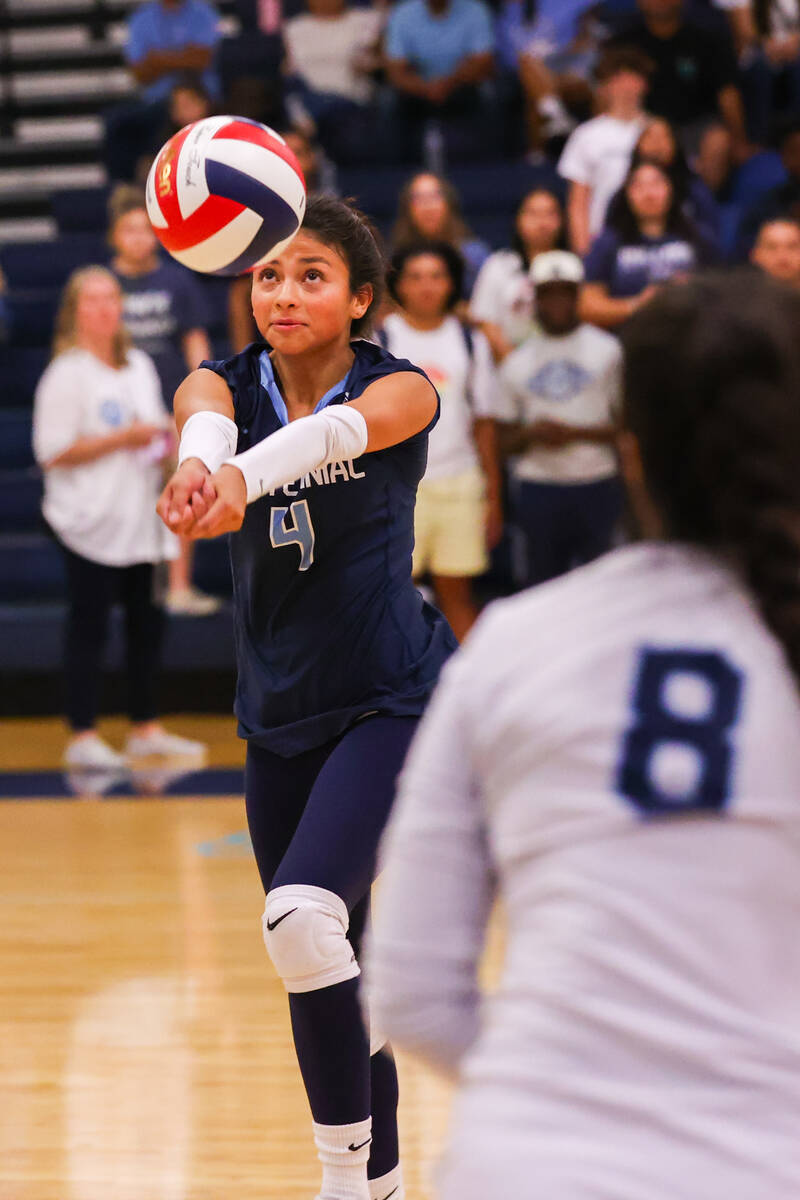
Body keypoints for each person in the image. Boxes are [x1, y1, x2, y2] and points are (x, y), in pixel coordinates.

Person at [366, 269, 800, 1198]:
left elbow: (408, 989)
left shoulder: (511, 645)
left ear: (630, 451)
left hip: (527, 1162)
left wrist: (567, 1105)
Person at [155, 196, 457, 1200]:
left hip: (391, 699)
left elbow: (337, 434)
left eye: (311, 275)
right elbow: (198, 413)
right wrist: (197, 470)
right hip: (277, 716)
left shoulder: (401, 387)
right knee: (331, 961)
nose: (282, 292)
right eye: (268, 274)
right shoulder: (226, 381)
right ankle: (384, 1184)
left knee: (297, 917)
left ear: (361, 299)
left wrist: (240, 476)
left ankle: (338, 1184)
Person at [32, 267, 204, 770]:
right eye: (94, 300)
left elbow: (152, 431)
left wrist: (167, 448)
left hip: (140, 521)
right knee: (88, 627)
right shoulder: (67, 374)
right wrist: (122, 439)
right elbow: (52, 451)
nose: (106, 308)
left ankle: (144, 727)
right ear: (75, 311)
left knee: (146, 626)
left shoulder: (139, 367)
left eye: (112, 298)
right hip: (88, 522)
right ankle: (82, 733)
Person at [380, 242, 502, 640]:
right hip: (398, 489)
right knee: (389, 601)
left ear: (451, 284)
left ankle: (470, 694)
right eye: (415, 277)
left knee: (457, 596)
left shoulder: (470, 342)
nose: (426, 287)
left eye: (436, 276)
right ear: (401, 285)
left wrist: (494, 497)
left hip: (459, 482)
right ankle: (394, 698)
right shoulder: (381, 340)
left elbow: (484, 423)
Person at [107, 184, 220, 617]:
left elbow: (196, 342)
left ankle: (178, 586)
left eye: (144, 229)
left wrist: (197, 405)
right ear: (114, 236)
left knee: (181, 492)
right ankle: (127, 590)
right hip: (117, 413)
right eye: (129, 230)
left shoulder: (177, 279)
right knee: (124, 498)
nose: (138, 238)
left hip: (171, 409)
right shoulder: (105, 282)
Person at [495, 251, 622, 586]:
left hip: (598, 482)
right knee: (541, 587)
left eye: (565, 293)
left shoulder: (609, 351)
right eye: (548, 293)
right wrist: (532, 435)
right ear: (535, 297)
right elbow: (502, 440)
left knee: (603, 586)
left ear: (577, 295)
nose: (557, 302)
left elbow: (628, 428)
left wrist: (575, 433)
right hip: (539, 488)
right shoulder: (516, 363)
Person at [608, 0, 751, 192]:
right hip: (642, 125)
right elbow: (608, 91)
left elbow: (728, 94)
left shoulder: (708, 40)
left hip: (697, 125)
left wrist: (739, 139)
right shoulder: (623, 44)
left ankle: (699, 204)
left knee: (718, 140)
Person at [581, 160, 718, 329]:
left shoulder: (699, 237)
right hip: (627, 340)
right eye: (638, 186)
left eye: (656, 183)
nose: (649, 194)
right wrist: (637, 305)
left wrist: (690, 292)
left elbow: (721, 295)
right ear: (626, 194)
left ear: (671, 189)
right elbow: (587, 305)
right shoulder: (607, 242)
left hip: (690, 338)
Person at [105, 0, 221, 182]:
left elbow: (201, 59)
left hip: (201, 95)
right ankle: (122, 191)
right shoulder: (141, 18)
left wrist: (157, 59)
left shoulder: (203, 11)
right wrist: (183, 56)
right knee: (116, 123)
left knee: (184, 107)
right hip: (156, 103)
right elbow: (139, 73)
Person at [557, 45, 652, 255]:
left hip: (651, 242)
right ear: (605, 86)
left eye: (633, 77)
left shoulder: (658, 132)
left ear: (644, 84)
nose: (626, 86)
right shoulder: (585, 135)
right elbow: (577, 203)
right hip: (603, 241)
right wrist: (584, 253)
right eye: (618, 78)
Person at [384, 0, 496, 161]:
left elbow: (483, 62)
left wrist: (449, 83)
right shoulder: (402, 13)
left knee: (489, 92)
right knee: (387, 99)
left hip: (461, 84)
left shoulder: (475, 10)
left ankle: (491, 166)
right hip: (418, 88)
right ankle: (392, 170)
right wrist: (426, 88)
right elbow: (396, 72)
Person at [469, 186, 565, 361]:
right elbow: (487, 322)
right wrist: (517, 368)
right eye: (533, 214)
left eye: (550, 214)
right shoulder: (499, 264)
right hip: (509, 369)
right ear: (518, 220)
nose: (542, 222)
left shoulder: (572, 266)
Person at [283, 0, 383, 164]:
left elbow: (382, 60)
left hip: (351, 103)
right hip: (309, 100)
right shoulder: (295, 27)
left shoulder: (366, 20)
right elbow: (289, 71)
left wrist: (369, 63)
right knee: (296, 102)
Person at [494, 0, 599, 156]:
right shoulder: (501, 14)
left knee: (539, 91)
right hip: (524, 76)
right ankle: (555, 114)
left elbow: (595, 9)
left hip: (567, 68)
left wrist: (584, 34)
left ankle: (538, 152)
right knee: (529, 71)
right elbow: (508, 62)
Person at [391, 171, 490, 294]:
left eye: (435, 196)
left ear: (449, 204)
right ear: (407, 209)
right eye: (418, 198)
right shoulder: (394, 261)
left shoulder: (474, 255)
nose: (428, 206)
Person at [626, 114, 720, 236]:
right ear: (638, 145)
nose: (657, 144)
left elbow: (711, 235)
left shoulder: (695, 190)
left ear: (675, 144)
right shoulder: (623, 193)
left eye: (664, 136)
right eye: (650, 136)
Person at [750, 216, 800, 285]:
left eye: (792, 247)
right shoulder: (736, 293)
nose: (782, 256)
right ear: (756, 254)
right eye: (771, 247)